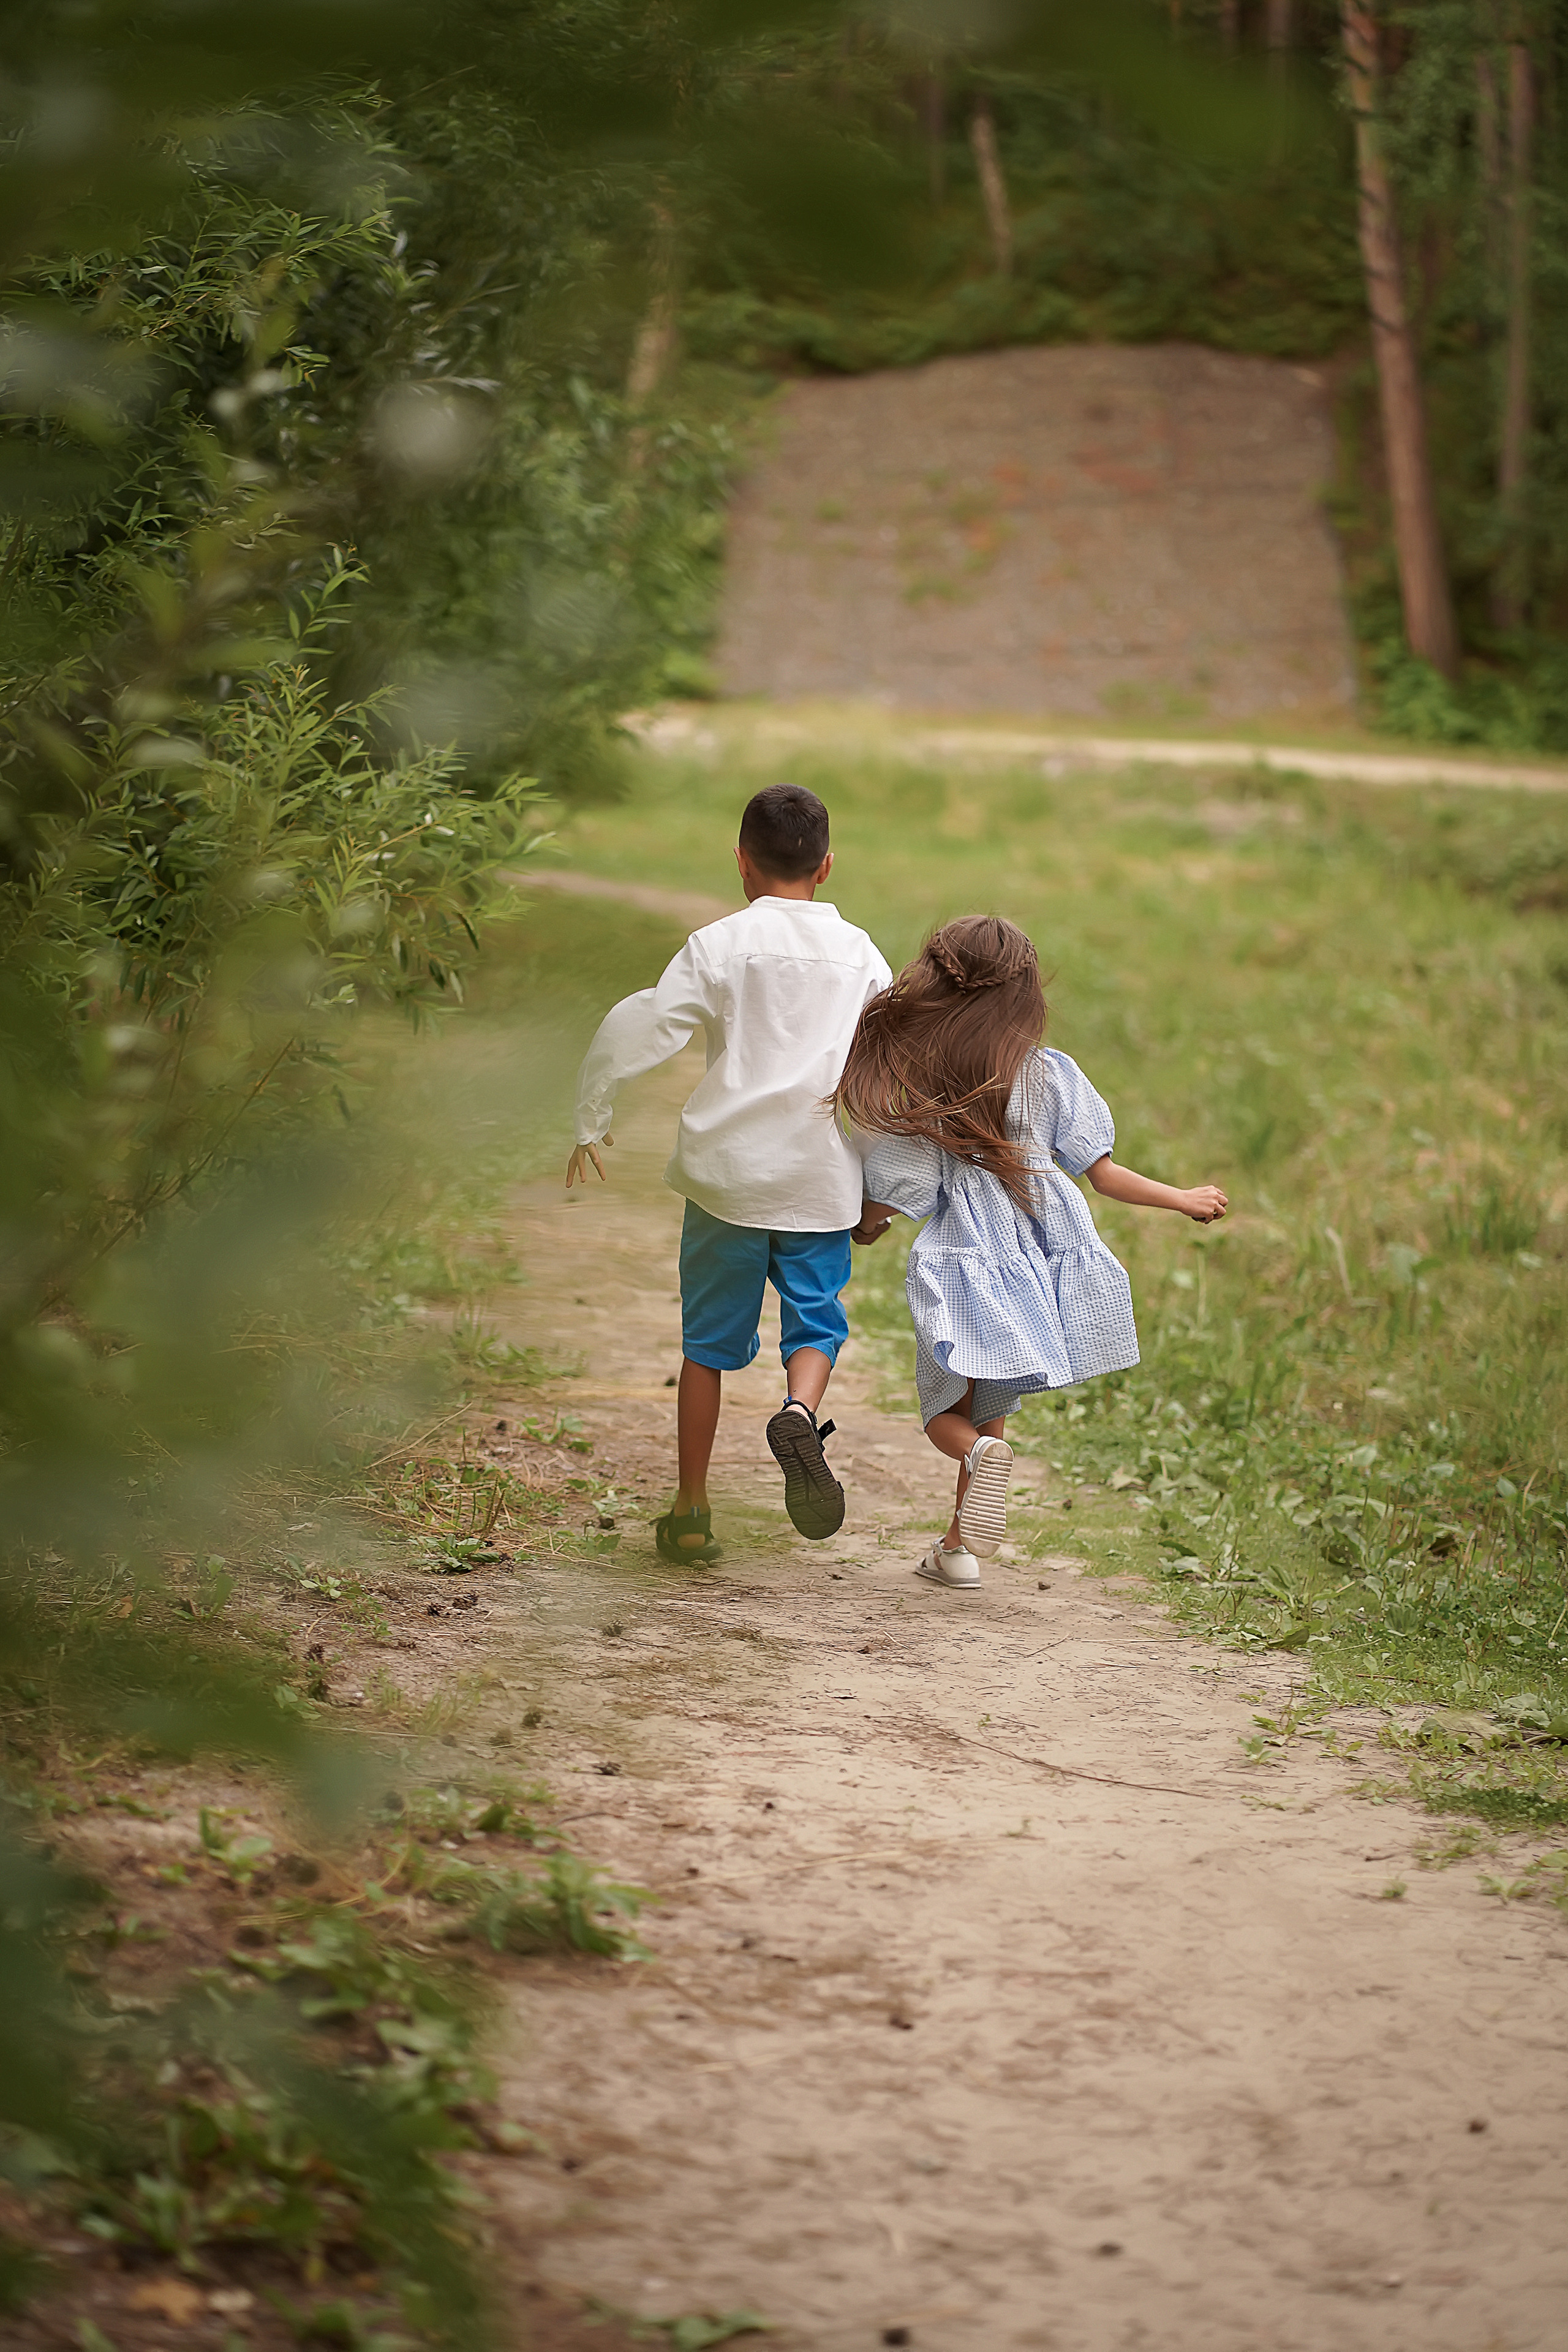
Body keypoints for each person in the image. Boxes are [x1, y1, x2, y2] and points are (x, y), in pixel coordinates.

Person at [837, 916, 1227, 1588]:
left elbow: (905, 1184)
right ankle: (957, 1550)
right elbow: (1101, 1173)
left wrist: (865, 1225)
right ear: (1024, 996)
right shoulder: (1050, 1076)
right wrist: (1180, 1197)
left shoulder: (932, 1084)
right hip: (1036, 1267)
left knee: (946, 1415)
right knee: (992, 1404)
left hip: (966, 1262)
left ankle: (978, 1461)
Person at [567, 783, 891, 1563]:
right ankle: (797, 1411)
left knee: (707, 1347)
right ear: (827, 868)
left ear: (742, 864)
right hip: (819, 1177)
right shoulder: (863, 958)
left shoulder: (718, 945)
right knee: (817, 1323)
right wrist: (882, 1191)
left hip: (727, 1179)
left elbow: (643, 1022)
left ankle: (690, 1509)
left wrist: (591, 1113)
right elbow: (886, 1078)